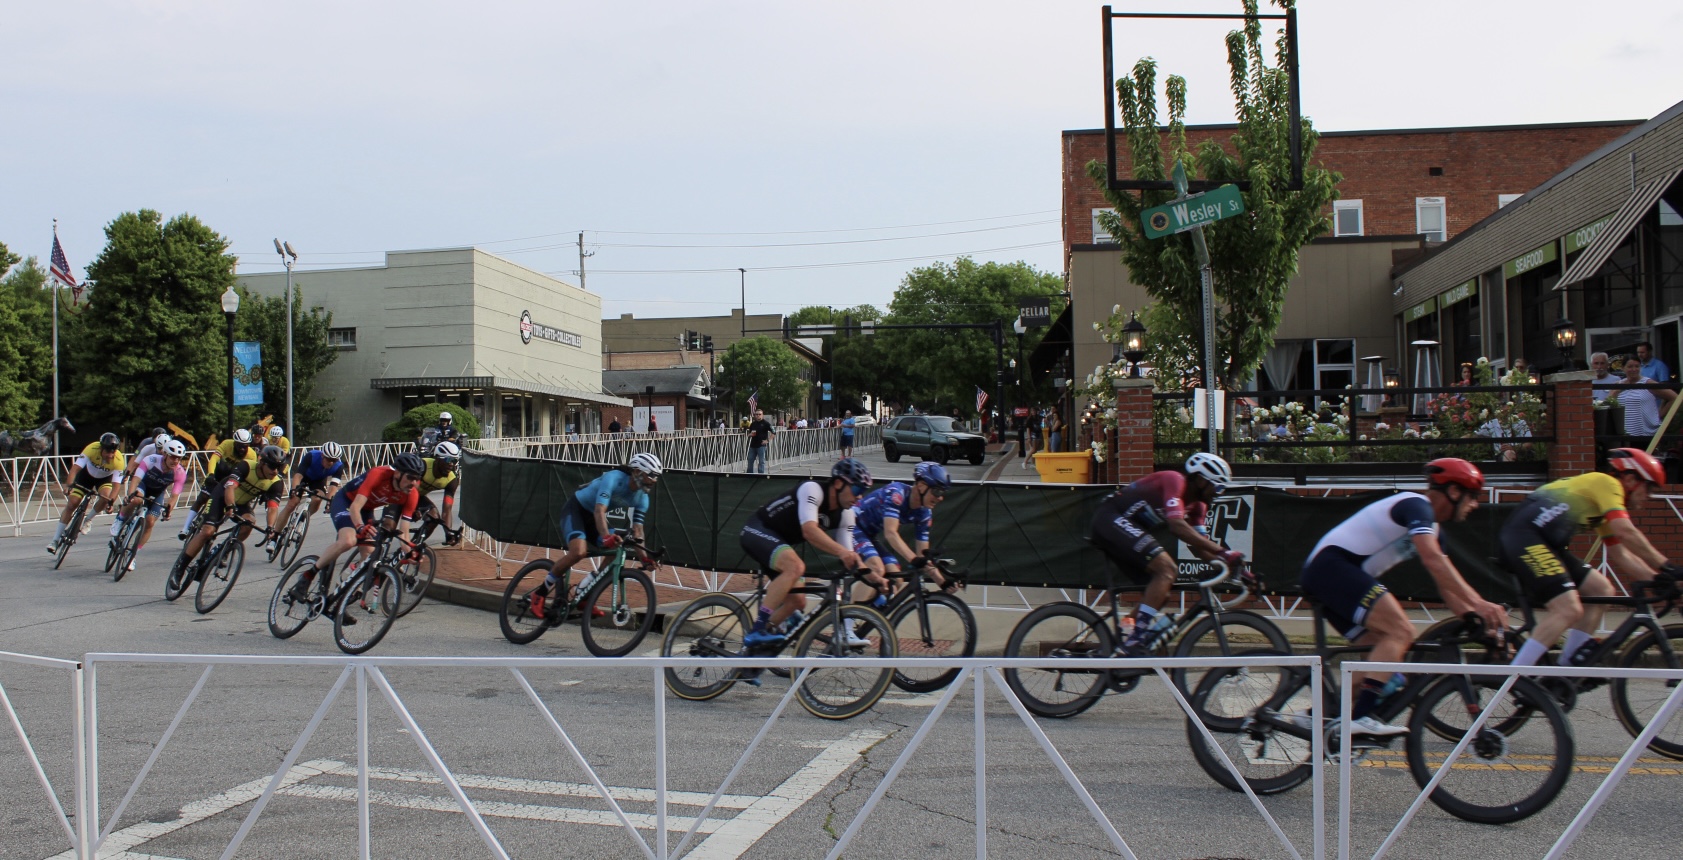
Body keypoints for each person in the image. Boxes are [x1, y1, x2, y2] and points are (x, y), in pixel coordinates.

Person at [1298, 459, 1507, 736]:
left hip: (1334, 576)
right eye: (1472, 496)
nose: (1475, 505)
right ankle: (1360, 720)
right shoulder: (1416, 506)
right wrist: (1480, 603)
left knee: (1385, 669)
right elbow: (1433, 560)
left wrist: (1474, 619)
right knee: (1401, 631)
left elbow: (1447, 589)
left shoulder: (1434, 531)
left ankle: (1315, 718)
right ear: (1454, 491)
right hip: (1333, 568)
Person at [1500, 449, 1676, 669]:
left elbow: (1621, 554)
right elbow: (1626, 532)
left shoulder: (1604, 505)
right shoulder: (1607, 484)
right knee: (1568, 609)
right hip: (1525, 538)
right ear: (1631, 479)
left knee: (1602, 589)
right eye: (1649, 488)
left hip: (1544, 543)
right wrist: (1667, 567)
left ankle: (1568, 670)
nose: (1649, 496)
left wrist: (1658, 580)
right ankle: (1516, 677)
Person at [1088, 452, 1248, 657]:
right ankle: (1135, 640)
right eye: (1217, 487)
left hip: (1126, 528)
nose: (1218, 493)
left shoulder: (1198, 507)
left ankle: (1123, 638)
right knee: (1167, 570)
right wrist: (1225, 552)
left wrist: (1241, 572)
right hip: (1110, 519)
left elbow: (1201, 549)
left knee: (1160, 592)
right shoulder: (1175, 480)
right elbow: (1176, 525)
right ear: (1201, 480)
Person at [740, 458, 878, 648]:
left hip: (780, 543)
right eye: (856, 489)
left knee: (797, 602)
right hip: (757, 530)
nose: (859, 497)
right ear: (839, 483)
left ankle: (756, 647)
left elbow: (849, 555)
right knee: (796, 566)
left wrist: (875, 579)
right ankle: (757, 629)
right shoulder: (813, 490)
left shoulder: (846, 515)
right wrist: (842, 553)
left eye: (863, 491)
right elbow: (809, 531)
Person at [523, 453, 661, 620]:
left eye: (657, 476)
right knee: (579, 552)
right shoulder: (614, 478)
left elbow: (638, 531)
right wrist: (606, 537)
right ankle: (539, 593)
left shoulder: (643, 498)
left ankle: (585, 593)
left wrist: (644, 559)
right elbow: (599, 511)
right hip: (577, 511)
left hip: (594, 519)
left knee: (617, 548)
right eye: (651, 475)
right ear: (637, 471)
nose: (654, 480)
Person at [284, 453, 427, 612]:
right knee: (348, 540)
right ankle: (307, 576)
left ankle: (341, 599)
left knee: (371, 554)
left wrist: (410, 552)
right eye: (410, 477)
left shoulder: (412, 493)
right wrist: (359, 527)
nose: (414, 483)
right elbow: (355, 507)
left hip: (366, 510)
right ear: (398, 473)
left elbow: (404, 533)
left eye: (417, 479)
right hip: (346, 502)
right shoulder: (378, 474)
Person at [848, 462, 950, 641]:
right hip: (851, 526)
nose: (940, 498)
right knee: (876, 568)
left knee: (897, 580)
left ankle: (864, 618)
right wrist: (913, 559)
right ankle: (844, 627)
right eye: (937, 491)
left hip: (868, 534)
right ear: (921, 486)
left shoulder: (924, 513)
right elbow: (891, 533)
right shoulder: (897, 493)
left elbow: (923, 555)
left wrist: (943, 582)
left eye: (943, 493)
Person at [174, 445, 288, 580]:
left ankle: (225, 549)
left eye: (279, 468)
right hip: (222, 496)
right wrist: (230, 507)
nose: (275, 471)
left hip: (242, 504)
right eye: (272, 467)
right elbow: (230, 488)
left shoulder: (276, 482)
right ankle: (180, 567)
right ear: (262, 463)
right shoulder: (246, 466)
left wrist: (270, 527)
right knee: (208, 531)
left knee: (249, 523)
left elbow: (273, 508)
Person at [110, 440, 188, 573]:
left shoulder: (180, 472)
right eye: (173, 457)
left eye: (178, 458)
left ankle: (132, 555)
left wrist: (168, 510)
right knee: (136, 499)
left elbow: (174, 496)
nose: (175, 461)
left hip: (157, 493)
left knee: (150, 522)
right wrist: (130, 495)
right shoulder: (151, 460)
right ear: (165, 455)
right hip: (143, 486)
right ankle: (120, 519)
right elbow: (136, 479)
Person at [48, 432, 127, 555]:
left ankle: (88, 520)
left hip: (104, 480)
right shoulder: (92, 448)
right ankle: (55, 540)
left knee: (106, 497)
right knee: (72, 504)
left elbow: (116, 486)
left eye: (113, 452)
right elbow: (75, 469)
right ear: (101, 448)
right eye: (108, 452)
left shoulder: (119, 460)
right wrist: (68, 486)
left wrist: (111, 503)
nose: (111, 455)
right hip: (85, 477)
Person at [264, 441, 347, 552]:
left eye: (334, 460)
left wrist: (329, 502)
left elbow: (333, 486)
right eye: (329, 459)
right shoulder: (311, 456)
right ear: (323, 455)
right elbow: (298, 476)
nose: (331, 463)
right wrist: (294, 490)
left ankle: (303, 517)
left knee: (318, 498)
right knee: (292, 504)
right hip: (304, 477)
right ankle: (274, 537)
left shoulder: (339, 466)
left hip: (318, 481)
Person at [183, 429, 257, 538]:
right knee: (202, 498)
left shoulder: (252, 455)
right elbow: (214, 459)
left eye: (245, 446)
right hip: (219, 473)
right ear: (234, 443)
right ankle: (185, 528)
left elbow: (250, 475)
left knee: (223, 505)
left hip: (232, 479)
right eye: (239, 445)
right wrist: (211, 474)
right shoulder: (227, 444)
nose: (242, 449)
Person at [410, 440, 463, 544]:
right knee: (389, 526)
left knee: (434, 518)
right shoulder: (422, 466)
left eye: (454, 460)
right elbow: (407, 489)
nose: (451, 464)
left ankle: (412, 547)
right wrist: (412, 509)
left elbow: (446, 510)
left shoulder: (452, 480)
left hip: (418, 496)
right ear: (437, 459)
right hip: (402, 493)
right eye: (448, 459)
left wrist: (448, 533)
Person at [1611, 356, 1676, 440]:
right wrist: (1617, 391)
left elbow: (1674, 397)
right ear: (1623, 368)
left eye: (1637, 366)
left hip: (1645, 433)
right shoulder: (1617, 384)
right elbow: (1608, 403)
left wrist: (1659, 415)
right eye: (1630, 367)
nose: (1634, 369)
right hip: (1624, 434)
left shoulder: (1648, 383)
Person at [745, 409, 773, 474]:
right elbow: (751, 433)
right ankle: (749, 474)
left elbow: (774, 432)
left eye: (759, 414)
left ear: (762, 415)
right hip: (753, 445)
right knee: (750, 460)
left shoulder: (766, 423)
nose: (758, 415)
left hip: (761, 445)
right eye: (756, 414)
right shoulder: (753, 424)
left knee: (761, 461)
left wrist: (768, 440)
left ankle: (761, 475)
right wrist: (749, 435)